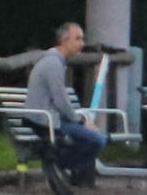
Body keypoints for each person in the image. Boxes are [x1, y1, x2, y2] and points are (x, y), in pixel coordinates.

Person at [26, 22, 103, 183]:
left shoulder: (55, 61)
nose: (82, 43)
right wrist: (81, 121)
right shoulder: (53, 63)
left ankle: (67, 172)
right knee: (98, 140)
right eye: (78, 39)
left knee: (97, 136)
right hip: (46, 122)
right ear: (64, 41)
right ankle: (58, 165)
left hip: (50, 119)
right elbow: (60, 100)